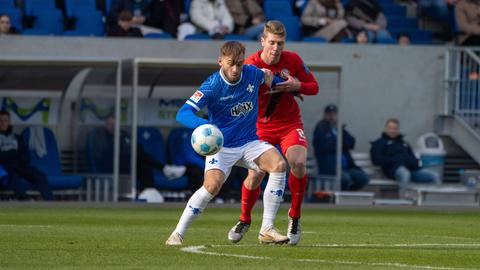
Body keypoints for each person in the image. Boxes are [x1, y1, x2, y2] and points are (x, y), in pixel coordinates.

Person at [165, 41, 289, 246]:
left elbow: (269, 78)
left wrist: (286, 83)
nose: (235, 69)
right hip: (222, 146)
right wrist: (206, 126)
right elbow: (183, 113)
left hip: (249, 143)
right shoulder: (212, 85)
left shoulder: (252, 73)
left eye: (239, 64)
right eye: (230, 63)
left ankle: (267, 229)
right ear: (220, 61)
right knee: (212, 187)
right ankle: (177, 234)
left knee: (279, 165)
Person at [228, 20, 319, 246]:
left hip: (289, 123)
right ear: (262, 41)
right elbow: (237, 93)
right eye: (272, 42)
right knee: (256, 174)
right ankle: (244, 219)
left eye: (280, 43)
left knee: (298, 162)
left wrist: (296, 85)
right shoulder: (250, 65)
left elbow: (314, 87)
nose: (276, 48)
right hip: (259, 127)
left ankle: (294, 216)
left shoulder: (294, 60)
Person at [88, 115, 186, 192]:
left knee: (144, 165)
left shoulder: (123, 134)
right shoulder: (100, 135)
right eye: (110, 124)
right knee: (140, 156)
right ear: (106, 124)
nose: (113, 127)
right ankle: (165, 168)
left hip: (127, 164)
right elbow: (104, 152)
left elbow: (135, 146)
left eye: (115, 124)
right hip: (110, 164)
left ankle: (149, 191)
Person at [370, 118, 440, 197]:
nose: (392, 130)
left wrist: (411, 162)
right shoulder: (380, 143)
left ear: (398, 129)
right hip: (393, 169)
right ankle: (405, 201)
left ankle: (434, 202)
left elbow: (413, 158)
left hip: (412, 169)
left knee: (434, 176)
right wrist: (394, 161)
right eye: (390, 128)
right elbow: (376, 159)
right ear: (386, 128)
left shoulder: (404, 143)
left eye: (395, 128)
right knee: (405, 174)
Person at [313, 104, 369, 191]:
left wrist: (339, 142)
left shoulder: (339, 128)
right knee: (345, 179)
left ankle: (348, 194)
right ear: (325, 115)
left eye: (334, 114)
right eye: (329, 114)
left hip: (346, 167)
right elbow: (325, 145)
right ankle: (341, 198)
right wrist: (340, 144)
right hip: (330, 167)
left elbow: (351, 142)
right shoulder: (321, 127)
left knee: (363, 177)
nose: (332, 116)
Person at [0, 110, 53, 200]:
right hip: (6, 169)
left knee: (40, 176)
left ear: (9, 122)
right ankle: (25, 202)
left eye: (5, 120)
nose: (3, 123)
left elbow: (26, 155)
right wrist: (14, 154)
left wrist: (11, 156)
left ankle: (51, 203)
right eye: (0, 121)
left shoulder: (16, 137)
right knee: (14, 179)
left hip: (20, 166)